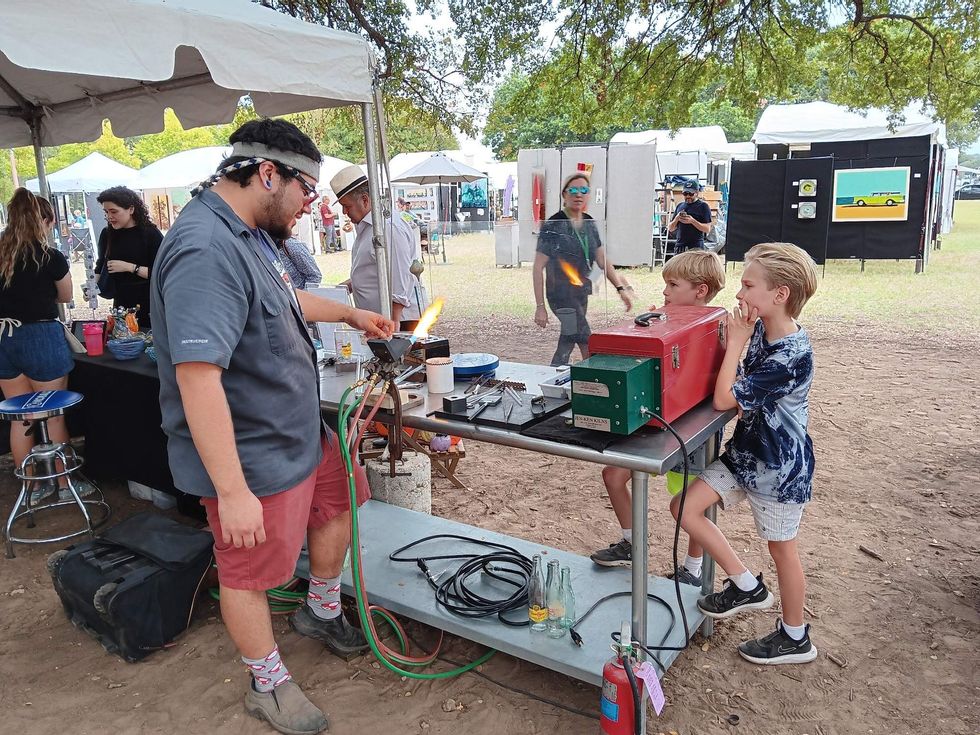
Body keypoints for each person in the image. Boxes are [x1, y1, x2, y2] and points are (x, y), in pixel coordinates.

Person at [151, 118, 396, 735]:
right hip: (251, 451)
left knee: (341, 499)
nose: (312, 202)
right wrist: (232, 493)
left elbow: (288, 299)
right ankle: (267, 682)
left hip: (298, 434)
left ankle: (319, 608)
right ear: (267, 174)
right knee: (248, 570)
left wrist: (352, 313)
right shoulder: (205, 247)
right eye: (307, 189)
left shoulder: (253, 235)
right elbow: (199, 377)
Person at [672, 242, 819, 665]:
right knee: (684, 507)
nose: (739, 295)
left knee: (781, 549)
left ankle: (795, 637)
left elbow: (723, 400)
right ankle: (745, 584)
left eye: (748, 285)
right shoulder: (760, 329)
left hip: (778, 470)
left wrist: (736, 340)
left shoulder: (790, 355)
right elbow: (720, 359)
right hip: (745, 456)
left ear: (780, 295)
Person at [590, 250, 726, 571]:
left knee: (688, 504)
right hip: (656, 417)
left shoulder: (721, 324)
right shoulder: (663, 315)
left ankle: (693, 570)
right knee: (613, 474)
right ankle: (631, 543)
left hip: (693, 426)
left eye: (672, 285)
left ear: (700, 291)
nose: (665, 292)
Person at [0, 189, 73, 500]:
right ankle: (64, 486)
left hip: (4, 338)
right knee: (53, 414)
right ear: (44, 220)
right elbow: (66, 296)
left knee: (22, 417)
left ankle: (30, 489)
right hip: (40, 336)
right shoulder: (49, 256)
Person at [532, 173, 633, 366]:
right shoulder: (554, 225)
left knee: (569, 338)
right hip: (560, 294)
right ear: (564, 194)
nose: (579, 194)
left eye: (584, 190)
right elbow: (538, 268)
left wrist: (620, 289)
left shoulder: (589, 222)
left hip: (581, 293)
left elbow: (602, 259)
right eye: (573, 190)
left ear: (588, 195)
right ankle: (594, 379)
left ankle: (552, 374)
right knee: (587, 339)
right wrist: (540, 307)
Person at [330, 165, 424, 330]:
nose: (344, 212)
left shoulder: (387, 227)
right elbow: (374, 271)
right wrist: (346, 287)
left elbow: (400, 275)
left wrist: (394, 323)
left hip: (400, 321)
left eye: (347, 206)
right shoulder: (367, 228)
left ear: (365, 200)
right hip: (381, 321)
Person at [95, 186, 163, 330]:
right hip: (120, 303)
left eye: (114, 211)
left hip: (148, 302)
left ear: (131, 209)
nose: (109, 216)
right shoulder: (107, 234)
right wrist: (92, 287)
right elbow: (100, 265)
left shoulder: (150, 234)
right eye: (106, 212)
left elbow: (161, 273)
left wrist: (130, 267)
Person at [668, 180, 712, 252]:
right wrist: (677, 218)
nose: (688, 196)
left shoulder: (703, 206)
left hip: (696, 247)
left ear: (696, 193)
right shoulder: (680, 206)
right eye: (685, 193)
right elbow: (670, 228)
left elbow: (707, 229)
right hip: (680, 246)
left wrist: (692, 221)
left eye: (691, 194)